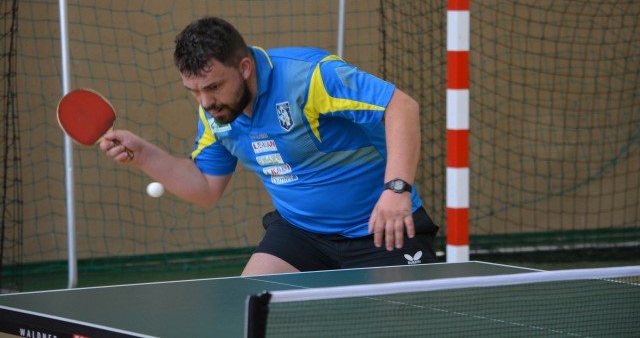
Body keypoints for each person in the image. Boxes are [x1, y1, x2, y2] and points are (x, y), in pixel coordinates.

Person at [100, 16, 439, 275]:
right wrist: (143, 154)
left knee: (399, 321)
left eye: (213, 87)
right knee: (252, 308)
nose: (205, 102)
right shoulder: (215, 113)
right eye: (194, 91)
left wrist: (396, 190)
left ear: (245, 68)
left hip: (380, 228)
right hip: (301, 233)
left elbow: (401, 107)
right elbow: (206, 187)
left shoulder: (308, 77)